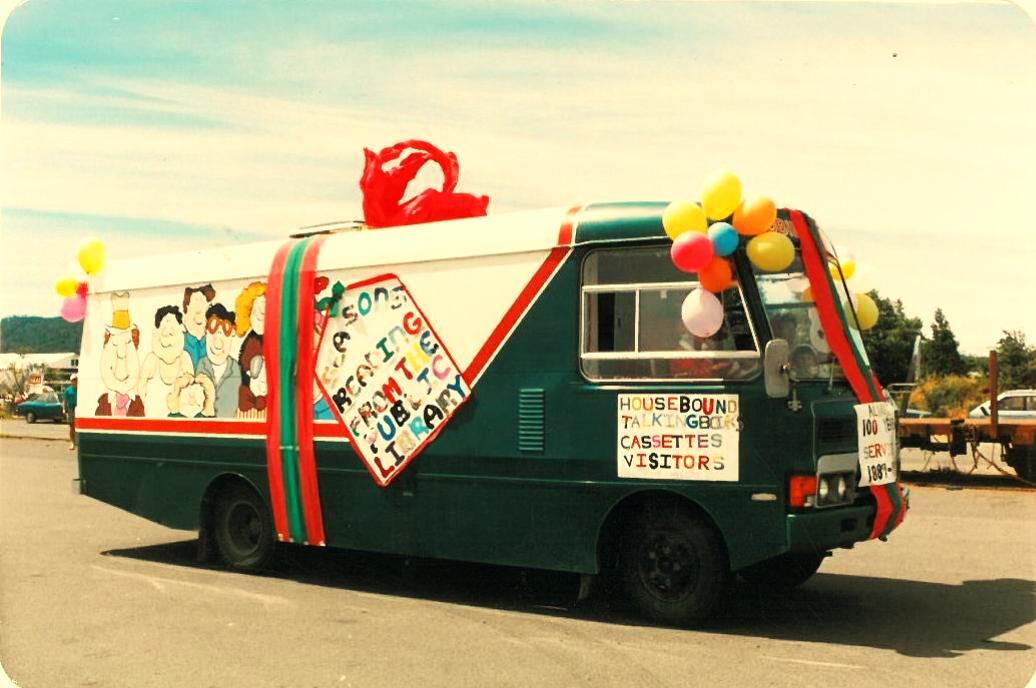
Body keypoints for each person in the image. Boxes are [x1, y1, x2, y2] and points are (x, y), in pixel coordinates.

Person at [63, 374, 78, 450]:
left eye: (75, 380)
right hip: (70, 408)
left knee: (78, 426)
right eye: (73, 380)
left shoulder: (80, 389)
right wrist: (64, 409)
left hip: (78, 408)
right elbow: (65, 401)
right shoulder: (68, 390)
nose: (74, 381)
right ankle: (72, 443)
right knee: (72, 427)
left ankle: (78, 442)